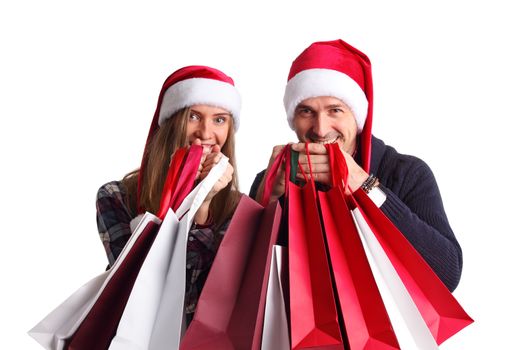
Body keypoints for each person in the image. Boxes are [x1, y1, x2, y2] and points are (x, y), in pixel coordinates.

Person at [250, 39, 463, 292]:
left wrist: (365, 185)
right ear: (292, 119)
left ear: (357, 117)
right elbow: (243, 285)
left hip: (387, 328)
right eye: (306, 112)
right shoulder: (273, 178)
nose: (320, 129)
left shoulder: (406, 172)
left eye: (335, 110)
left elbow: (446, 275)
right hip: (291, 328)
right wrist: (267, 203)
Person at [96, 65, 242, 323]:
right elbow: (144, 286)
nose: (206, 133)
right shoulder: (115, 196)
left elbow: (204, 297)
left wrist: (204, 201)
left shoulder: (239, 209)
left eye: (219, 119)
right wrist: (188, 195)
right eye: (193, 117)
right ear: (172, 123)